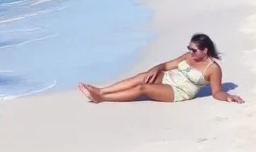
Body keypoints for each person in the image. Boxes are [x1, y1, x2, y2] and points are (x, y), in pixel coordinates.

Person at [79, 33, 243, 104]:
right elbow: (166, 65)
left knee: (143, 88)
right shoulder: (187, 56)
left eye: (194, 50)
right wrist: (155, 69)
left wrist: (228, 97)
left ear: (205, 50)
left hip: (181, 91)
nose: (191, 52)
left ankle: (102, 98)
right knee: (143, 76)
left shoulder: (213, 68)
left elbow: (216, 92)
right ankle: (101, 91)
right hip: (170, 78)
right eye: (189, 48)